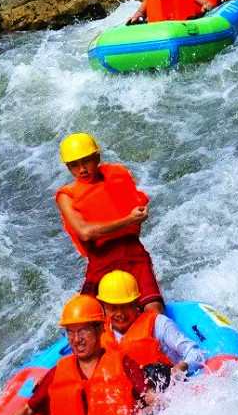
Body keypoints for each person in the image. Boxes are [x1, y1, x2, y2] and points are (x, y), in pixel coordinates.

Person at [0, 295, 154, 415]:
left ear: (100, 328)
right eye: (70, 332)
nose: (77, 340)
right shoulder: (59, 372)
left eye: (83, 331)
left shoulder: (123, 363)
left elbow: (153, 401)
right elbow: (28, 411)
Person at [55, 132, 164, 314]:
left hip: (134, 254)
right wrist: (128, 220)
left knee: (154, 309)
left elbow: (136, 220)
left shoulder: (119, 176)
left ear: (97, 157)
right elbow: (85, 232)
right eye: (74, 165)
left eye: (86, 161)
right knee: (86, 316)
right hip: (100, 262)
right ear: (68, 168)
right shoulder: (66, 196)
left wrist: (137, 218)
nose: (82, 169)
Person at [98, 271, 207, 376]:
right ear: (103, 307)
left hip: (165, 381)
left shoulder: (159, 324)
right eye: (112, 308)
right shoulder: (99, 334)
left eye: (125, 306)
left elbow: (197, 353)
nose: (119, 314)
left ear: (135, 303)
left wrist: (183, 367)